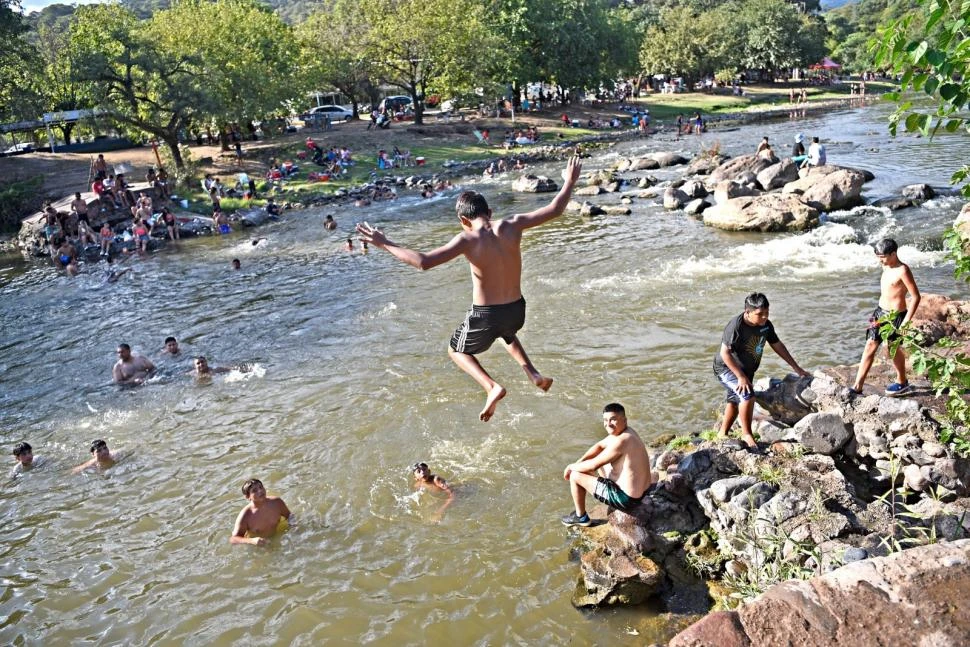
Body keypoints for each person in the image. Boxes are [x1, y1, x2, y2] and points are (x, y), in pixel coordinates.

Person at [356, 155, 582, 422]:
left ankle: (491, 386)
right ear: (490, 212)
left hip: (486, 315)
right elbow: (555, 209)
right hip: (517, 309)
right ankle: (533, 374)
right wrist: (569, 182)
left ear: (463, 220)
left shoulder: (467, 238)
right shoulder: (512, 224)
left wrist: (385, 243)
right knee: (506, 333)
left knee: (456, 350)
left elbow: (423, 262)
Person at [713, 293, 810, 450]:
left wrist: (796, 368)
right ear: (747, 312)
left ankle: (722, 433)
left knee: (734, 399)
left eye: (767, 313)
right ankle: (747, 434)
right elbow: (725, 353)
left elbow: (777, 345)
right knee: (747, 395)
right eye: (759, 314)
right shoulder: (736, 326)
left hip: (746, 370)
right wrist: (740, 377)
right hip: (726, 368)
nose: (764, 317)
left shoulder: (766, 325)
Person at [849, 239, 921, 396]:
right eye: (878, 256)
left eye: (882, 256)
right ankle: (857, 387)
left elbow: (916, 297)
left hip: (896, 316)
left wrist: (906, 321)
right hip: (880, 312)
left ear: (893, 254)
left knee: (892, 349)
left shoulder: (903, 270)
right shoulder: (885, 265)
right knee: (869, 346)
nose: (879, 260)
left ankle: (902, 381)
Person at [561, 403, 652, 526]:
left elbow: (593, 466)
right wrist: (579, 461)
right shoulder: (627, 432)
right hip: (643, 492)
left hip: (627, 499)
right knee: (593, 463)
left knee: (575, 475)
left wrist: (571, 467)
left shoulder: (621, 441)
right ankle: (597, 489)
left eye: (613, 419)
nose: (608, 424)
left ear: (624, 420)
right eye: (605, 420)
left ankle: (581, 517)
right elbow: (599, 446)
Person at [230, 478, 291, 546]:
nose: (260, 491)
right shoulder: (245, 515)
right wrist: (252, 541)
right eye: (254, 490)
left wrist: (295, 529)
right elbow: (233, 539)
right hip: (259, 547)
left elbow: (290, 516)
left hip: (279, 537)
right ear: (248, 497)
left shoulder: (276, 502)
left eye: (261, 487)